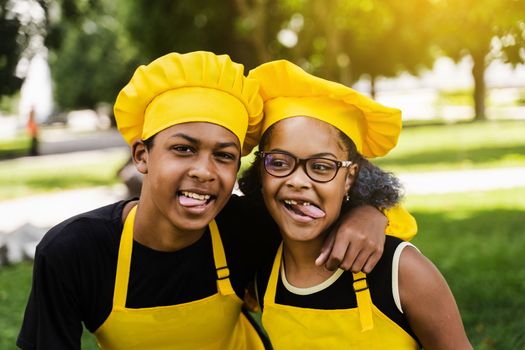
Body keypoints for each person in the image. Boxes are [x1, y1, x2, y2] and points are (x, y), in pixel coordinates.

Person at [17, 52, 415, 349]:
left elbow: (321, 208)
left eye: (224, 155)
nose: (205, 171)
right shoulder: (75, 253)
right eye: (184, 149)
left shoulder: (246, 227)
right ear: (141, 155)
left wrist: (368, 212)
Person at [240, 60, 472, 349]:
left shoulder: (401, 271)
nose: (298, 181)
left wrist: (373, 212)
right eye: (279, 162)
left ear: (349, 177)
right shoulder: (261, 270)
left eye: (322, 167)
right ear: (261, 172)